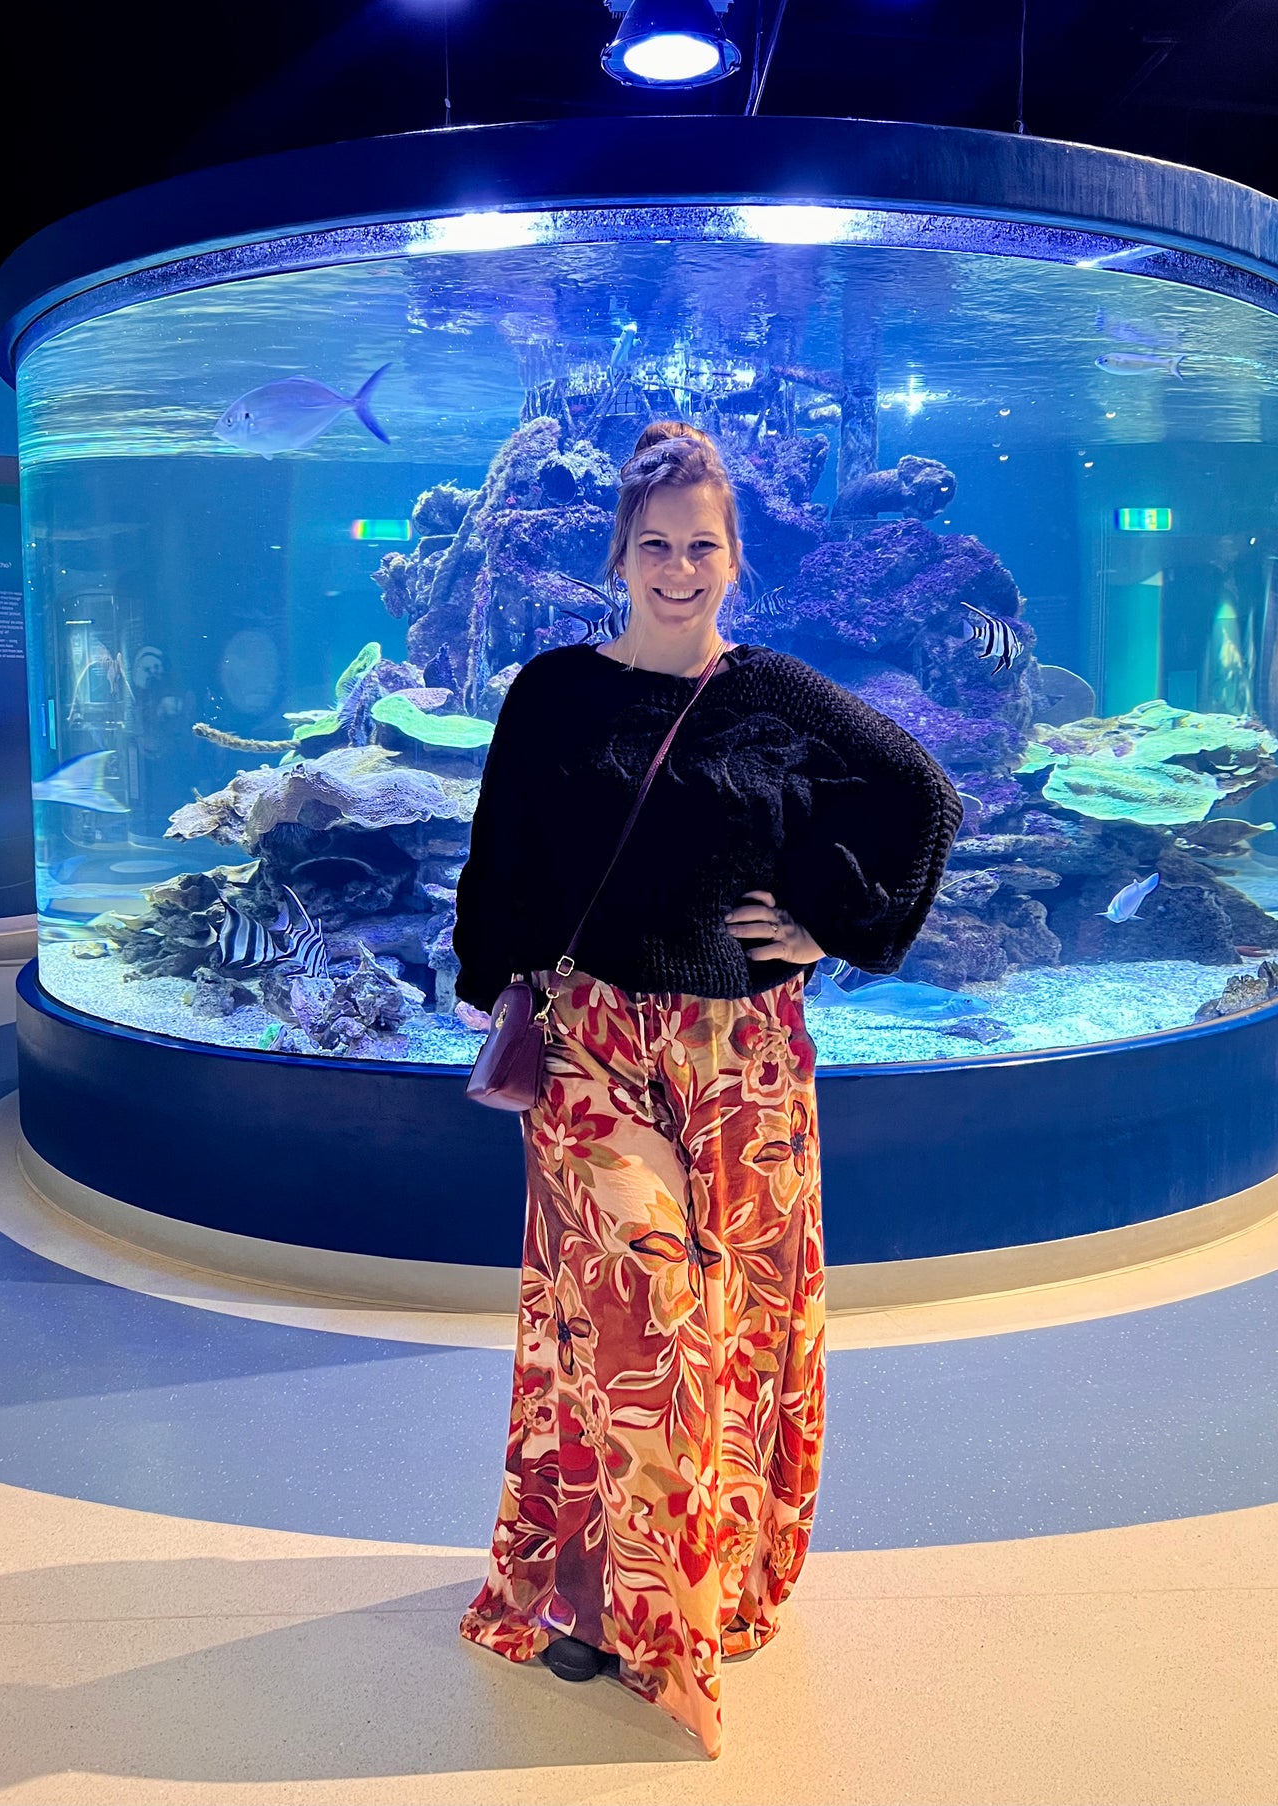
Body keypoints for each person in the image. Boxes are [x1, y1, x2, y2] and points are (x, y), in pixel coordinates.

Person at [454, 422, 961, 1757]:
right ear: (616, 556)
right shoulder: (553, 691)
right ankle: (618, 1598)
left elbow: (923, 798)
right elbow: (500, 846)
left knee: (731, 1324)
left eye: (702, 545)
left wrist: (829, 923)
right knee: (639, 1310)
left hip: (741, 1060)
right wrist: (485, 978)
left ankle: (675, 1587)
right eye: (655, 545)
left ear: (734, 557)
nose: (678, 569)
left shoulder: (778, 694)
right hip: (590, 1049)